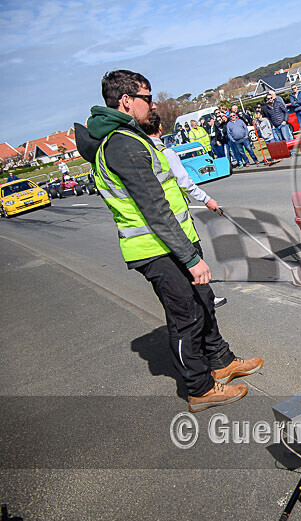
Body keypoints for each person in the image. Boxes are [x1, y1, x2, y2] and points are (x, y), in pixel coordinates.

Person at [73, 70, 262, 411]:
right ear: (126, 101)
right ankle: (200, 388)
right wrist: (191, 259)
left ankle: (221, 361)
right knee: (185, 317)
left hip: (175, 240)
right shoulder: (121, 144)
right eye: (147, 97)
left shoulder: (131, 137)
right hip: (155, 248)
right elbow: (154, 209)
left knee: (203, 301)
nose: (153, 103)